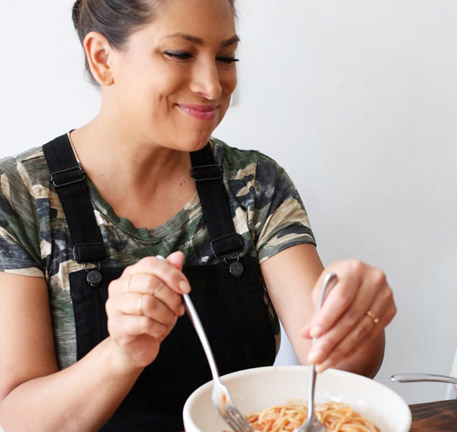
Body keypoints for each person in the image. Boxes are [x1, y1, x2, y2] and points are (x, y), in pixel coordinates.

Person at [0, 0, 396, 430]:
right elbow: (17, 418)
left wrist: (357, 317)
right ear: (102, 58)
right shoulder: (19, 195)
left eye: (226, 57)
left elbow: (341, 368)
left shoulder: (253, 183)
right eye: (181, 54)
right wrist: (121, 352)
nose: (213, 85)